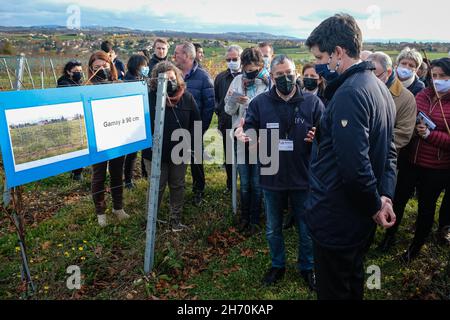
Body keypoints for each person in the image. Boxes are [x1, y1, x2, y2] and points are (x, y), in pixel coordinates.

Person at [304, 14, 397, 300]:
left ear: (338, 53)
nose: (319, 66)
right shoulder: (377, 86)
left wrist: (374, 205)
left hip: (338, 218)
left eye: (320, 57)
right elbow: (389, 152)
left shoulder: (349, 93)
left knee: (334, 289)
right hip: (358, 218)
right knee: (353, 281)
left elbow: (355, 167)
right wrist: (385, 198)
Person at [236, 54, 324, 290]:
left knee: (306, 228)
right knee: (273, 227)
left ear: (295, 73)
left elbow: (326, 132)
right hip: (271, 175)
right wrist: (245, 135)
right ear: (272, 77)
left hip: (303, 176)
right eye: (279, 75)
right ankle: (278, 264)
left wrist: (319, 137)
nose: (285, 79)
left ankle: (307, 267)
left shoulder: (312, 103)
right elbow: (250, 126)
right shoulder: (260, 103)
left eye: (289, 74)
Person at [366, 52, 418, 252]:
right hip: (363, 159)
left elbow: (404, 134)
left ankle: (385, 236)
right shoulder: (365, 90)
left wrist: (369, 143)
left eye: (375, 73)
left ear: (388, 72)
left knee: (383, 199)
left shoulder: (406, 99)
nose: (370, 77)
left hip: (387, 162)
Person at [400, 57, 450, 262]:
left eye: (443, 77)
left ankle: (416, 246)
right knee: (399, 199)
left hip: (437, 167)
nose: (437, 80)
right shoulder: (422, 95)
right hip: (412, 160)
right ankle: (389, 235)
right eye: (434, 76)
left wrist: (430, 135)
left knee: (426, 208)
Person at [142, 61, 201, 232]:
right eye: (165, 79)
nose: (170, 81)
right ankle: (151, 221)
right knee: (157, 187)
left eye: (172, 77)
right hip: (154, 153)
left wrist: (194, 147)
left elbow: (195, 124)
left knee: (177, 185)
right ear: (156, 81)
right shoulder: (150, 97)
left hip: (179, 151)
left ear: (177, 77)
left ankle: (175, 220)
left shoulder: (187, 98)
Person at [224, 47, 269, 235]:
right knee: (245, 180)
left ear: (260, 66)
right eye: (247, 68)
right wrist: (235, 101)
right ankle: (244, 217)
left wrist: (251, 103)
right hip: (241, 136)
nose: (250, 72)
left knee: (258, 181)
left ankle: (255, 219)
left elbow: (271, 109)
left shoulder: (268, 83)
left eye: (254, 68)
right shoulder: (237, 80)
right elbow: (228, 109)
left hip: (262, 138)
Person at [87, 51, 129, 227]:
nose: (101, 70)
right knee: (98, 176)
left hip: (117, 137)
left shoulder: (118, 85)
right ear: (91, 69)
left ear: (110, 66)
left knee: (116, 174)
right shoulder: (86, 88)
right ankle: (100, 212)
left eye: (104, 66)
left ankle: (118, 207)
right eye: (97, 67)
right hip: (97, 141)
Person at [174, 42, 215, 206]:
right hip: (175, 126)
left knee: (196, 161)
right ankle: (177, 190)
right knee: (176, 160)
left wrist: (200, 128)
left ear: (187, 56)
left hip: (194, 127)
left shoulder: (203, 77)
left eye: (177, 53)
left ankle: (198, 190)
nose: (174, 56)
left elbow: (210, 105)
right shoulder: (173, 74)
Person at [214, 45, 243, 192]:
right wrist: (220, 113)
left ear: (241, 59)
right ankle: (230, 185)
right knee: (230, 157)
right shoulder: (220, 78)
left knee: (245, 158)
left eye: (235, 59)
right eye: (229, 59)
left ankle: (245, 186)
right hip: (226, 123)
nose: (231, 62)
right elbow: (217, 99)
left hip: (244, 124)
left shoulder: (247, 77)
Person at [123, 54, 150, 189]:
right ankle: (128, 180)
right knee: (132, 152)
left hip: (141, 119)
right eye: (143, 66)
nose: (146, 68)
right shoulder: (129, 81)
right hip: (132, 120)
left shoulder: (140, 78)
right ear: (136, 66)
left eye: (146, 65)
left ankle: (142, 175)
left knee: (139, 150)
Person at [57, 60, 85, 181]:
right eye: (76, 71)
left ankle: (76, 170)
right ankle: (76, 172)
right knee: (75, 144)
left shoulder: (77, 81)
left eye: (80, 71)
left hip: (77, 116)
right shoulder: (64, 83)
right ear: (68, 71)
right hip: (68, 118)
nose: (79, 73)